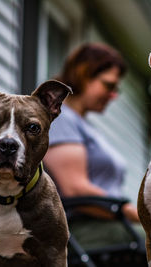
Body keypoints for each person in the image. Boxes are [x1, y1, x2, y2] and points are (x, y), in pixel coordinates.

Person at [44, 43, 143, 250]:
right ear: (83, 75)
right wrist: (141, 216)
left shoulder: (82, 125)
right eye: (108, 85)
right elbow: (76, 190)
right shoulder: (60, 119)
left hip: (109, 225)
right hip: (79, 231)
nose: (114, 95)